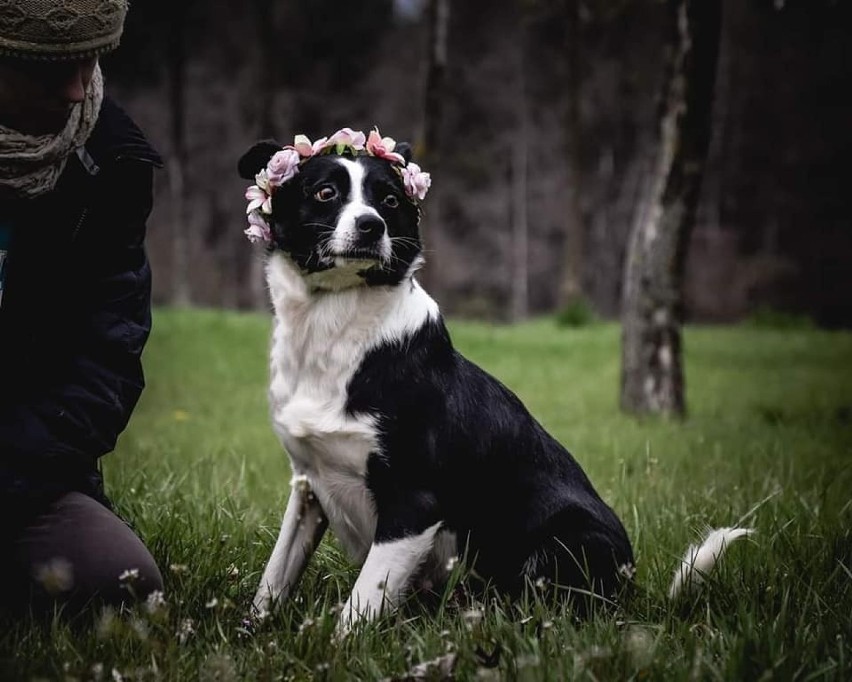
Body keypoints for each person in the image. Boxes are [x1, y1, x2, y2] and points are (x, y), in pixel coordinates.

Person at [0, 0, 163, 615]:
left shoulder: (112, 161)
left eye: (92, 59)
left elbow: (106, 364)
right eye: (48, 69)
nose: (76, 88)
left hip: (18, 470)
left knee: (120, 580)